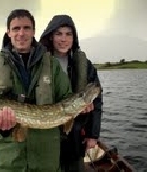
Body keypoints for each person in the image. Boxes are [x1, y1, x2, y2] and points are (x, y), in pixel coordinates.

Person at [0, 9, 73, 172]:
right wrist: (3, 127)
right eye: (16, 28)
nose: (21, 33)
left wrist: (84, 107)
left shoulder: (53, 66)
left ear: (34, 31)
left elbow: (67, 98)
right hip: (7, 161)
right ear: (8, 32)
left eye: (26, 28)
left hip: (45, 160)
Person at [39, 15, 103, 172]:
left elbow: (97, 101)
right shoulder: (38, 63)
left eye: (68, 34)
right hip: (45, 134)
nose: (63, 39)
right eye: (58, 34)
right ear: (51, 36)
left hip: (76, 134)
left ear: (74, 38)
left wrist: (93, 135)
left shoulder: (84, 65)